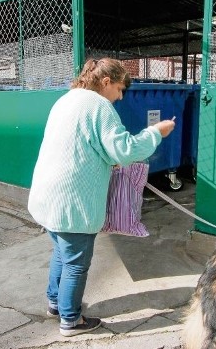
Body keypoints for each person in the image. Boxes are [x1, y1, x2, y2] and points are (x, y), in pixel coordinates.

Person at [27, 58, 176, 337]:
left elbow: (85, 143)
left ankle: (55, 304)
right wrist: (156, 132)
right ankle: (71, 320)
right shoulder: (99, 106)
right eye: (119, 89)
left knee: (62, 251)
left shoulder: (67, 100)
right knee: (77, 263)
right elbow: (126, 150)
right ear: (105, 82)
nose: (119, 97)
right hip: (73, 201)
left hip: (49, 197)